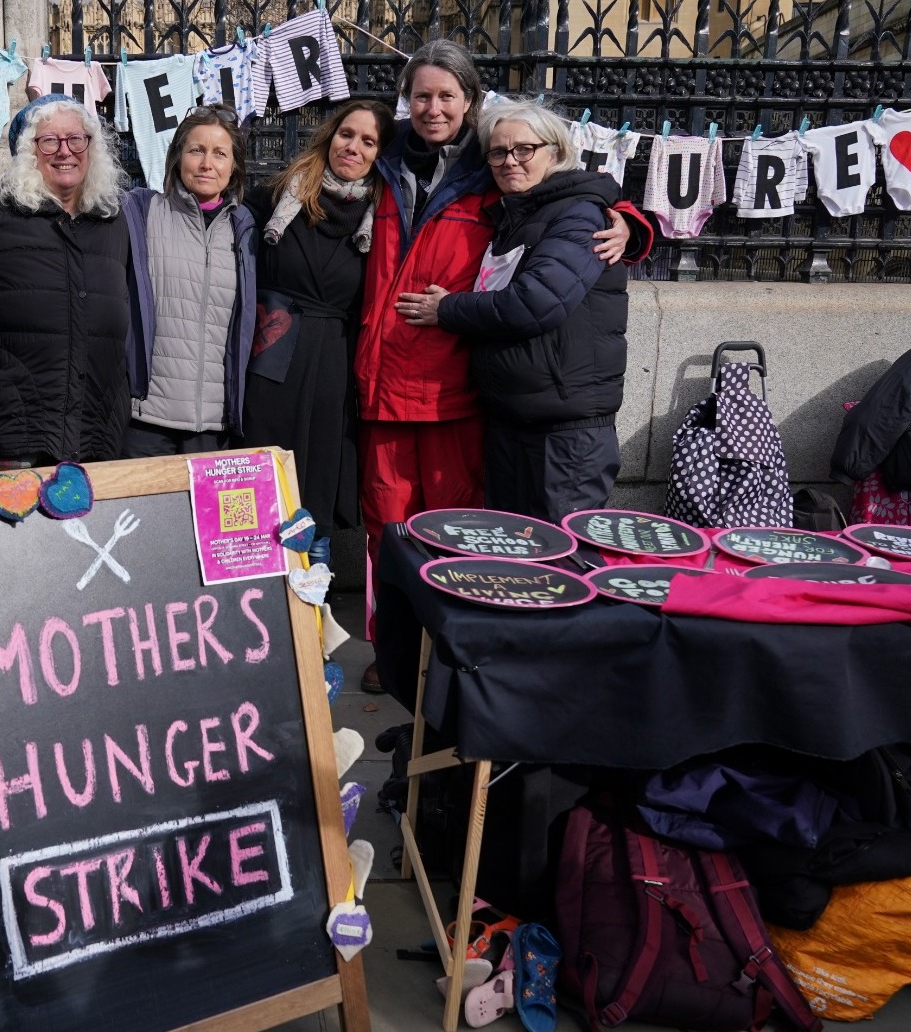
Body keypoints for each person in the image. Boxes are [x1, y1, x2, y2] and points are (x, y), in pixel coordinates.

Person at [358, 40, 648, 690]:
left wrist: (631, 221)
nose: (433, 108)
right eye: (421, 95)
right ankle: (422, 661)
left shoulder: (498, 181)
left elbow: (580, 213)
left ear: (470, 102)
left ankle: (542, 683)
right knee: (405, 536)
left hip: (473, 395)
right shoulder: (380, 158)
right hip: (410, 392)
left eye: (446, 95)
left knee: (519, 548)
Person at [427, 98, 628, 521]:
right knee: (515, 564)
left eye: (524, 149)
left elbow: (535, 304)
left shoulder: (579, 215)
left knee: (567, 563)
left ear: (554, 152)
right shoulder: (516, 214)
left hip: (564, 431)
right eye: (498, 152)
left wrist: (447, 309)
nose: (509, 161)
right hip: (513, 420)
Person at [240, 99, 396, 561]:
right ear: (331, 137)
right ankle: (255, 587)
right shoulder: (278, 195)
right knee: (259, 481)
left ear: (380, 154)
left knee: (317, 484)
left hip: (335, 369)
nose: (354, 147)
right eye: (347, 134)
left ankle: (313, 609)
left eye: (369, 141)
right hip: (268, 358)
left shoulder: (385, 217)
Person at [0, 95, 131, 468]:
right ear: (28, 152)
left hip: (97, 437)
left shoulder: (114, 223)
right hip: (17, 438)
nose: (65, 151)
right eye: (49, 141)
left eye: (77, 139)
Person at [121, 105, 256, 457]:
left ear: (234, 166)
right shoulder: (142, 213)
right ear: (178, 156)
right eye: (196, 150)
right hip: (146, 422)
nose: (206, 164)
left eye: (220, 153)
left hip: (214, 428)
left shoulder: (246, 230)